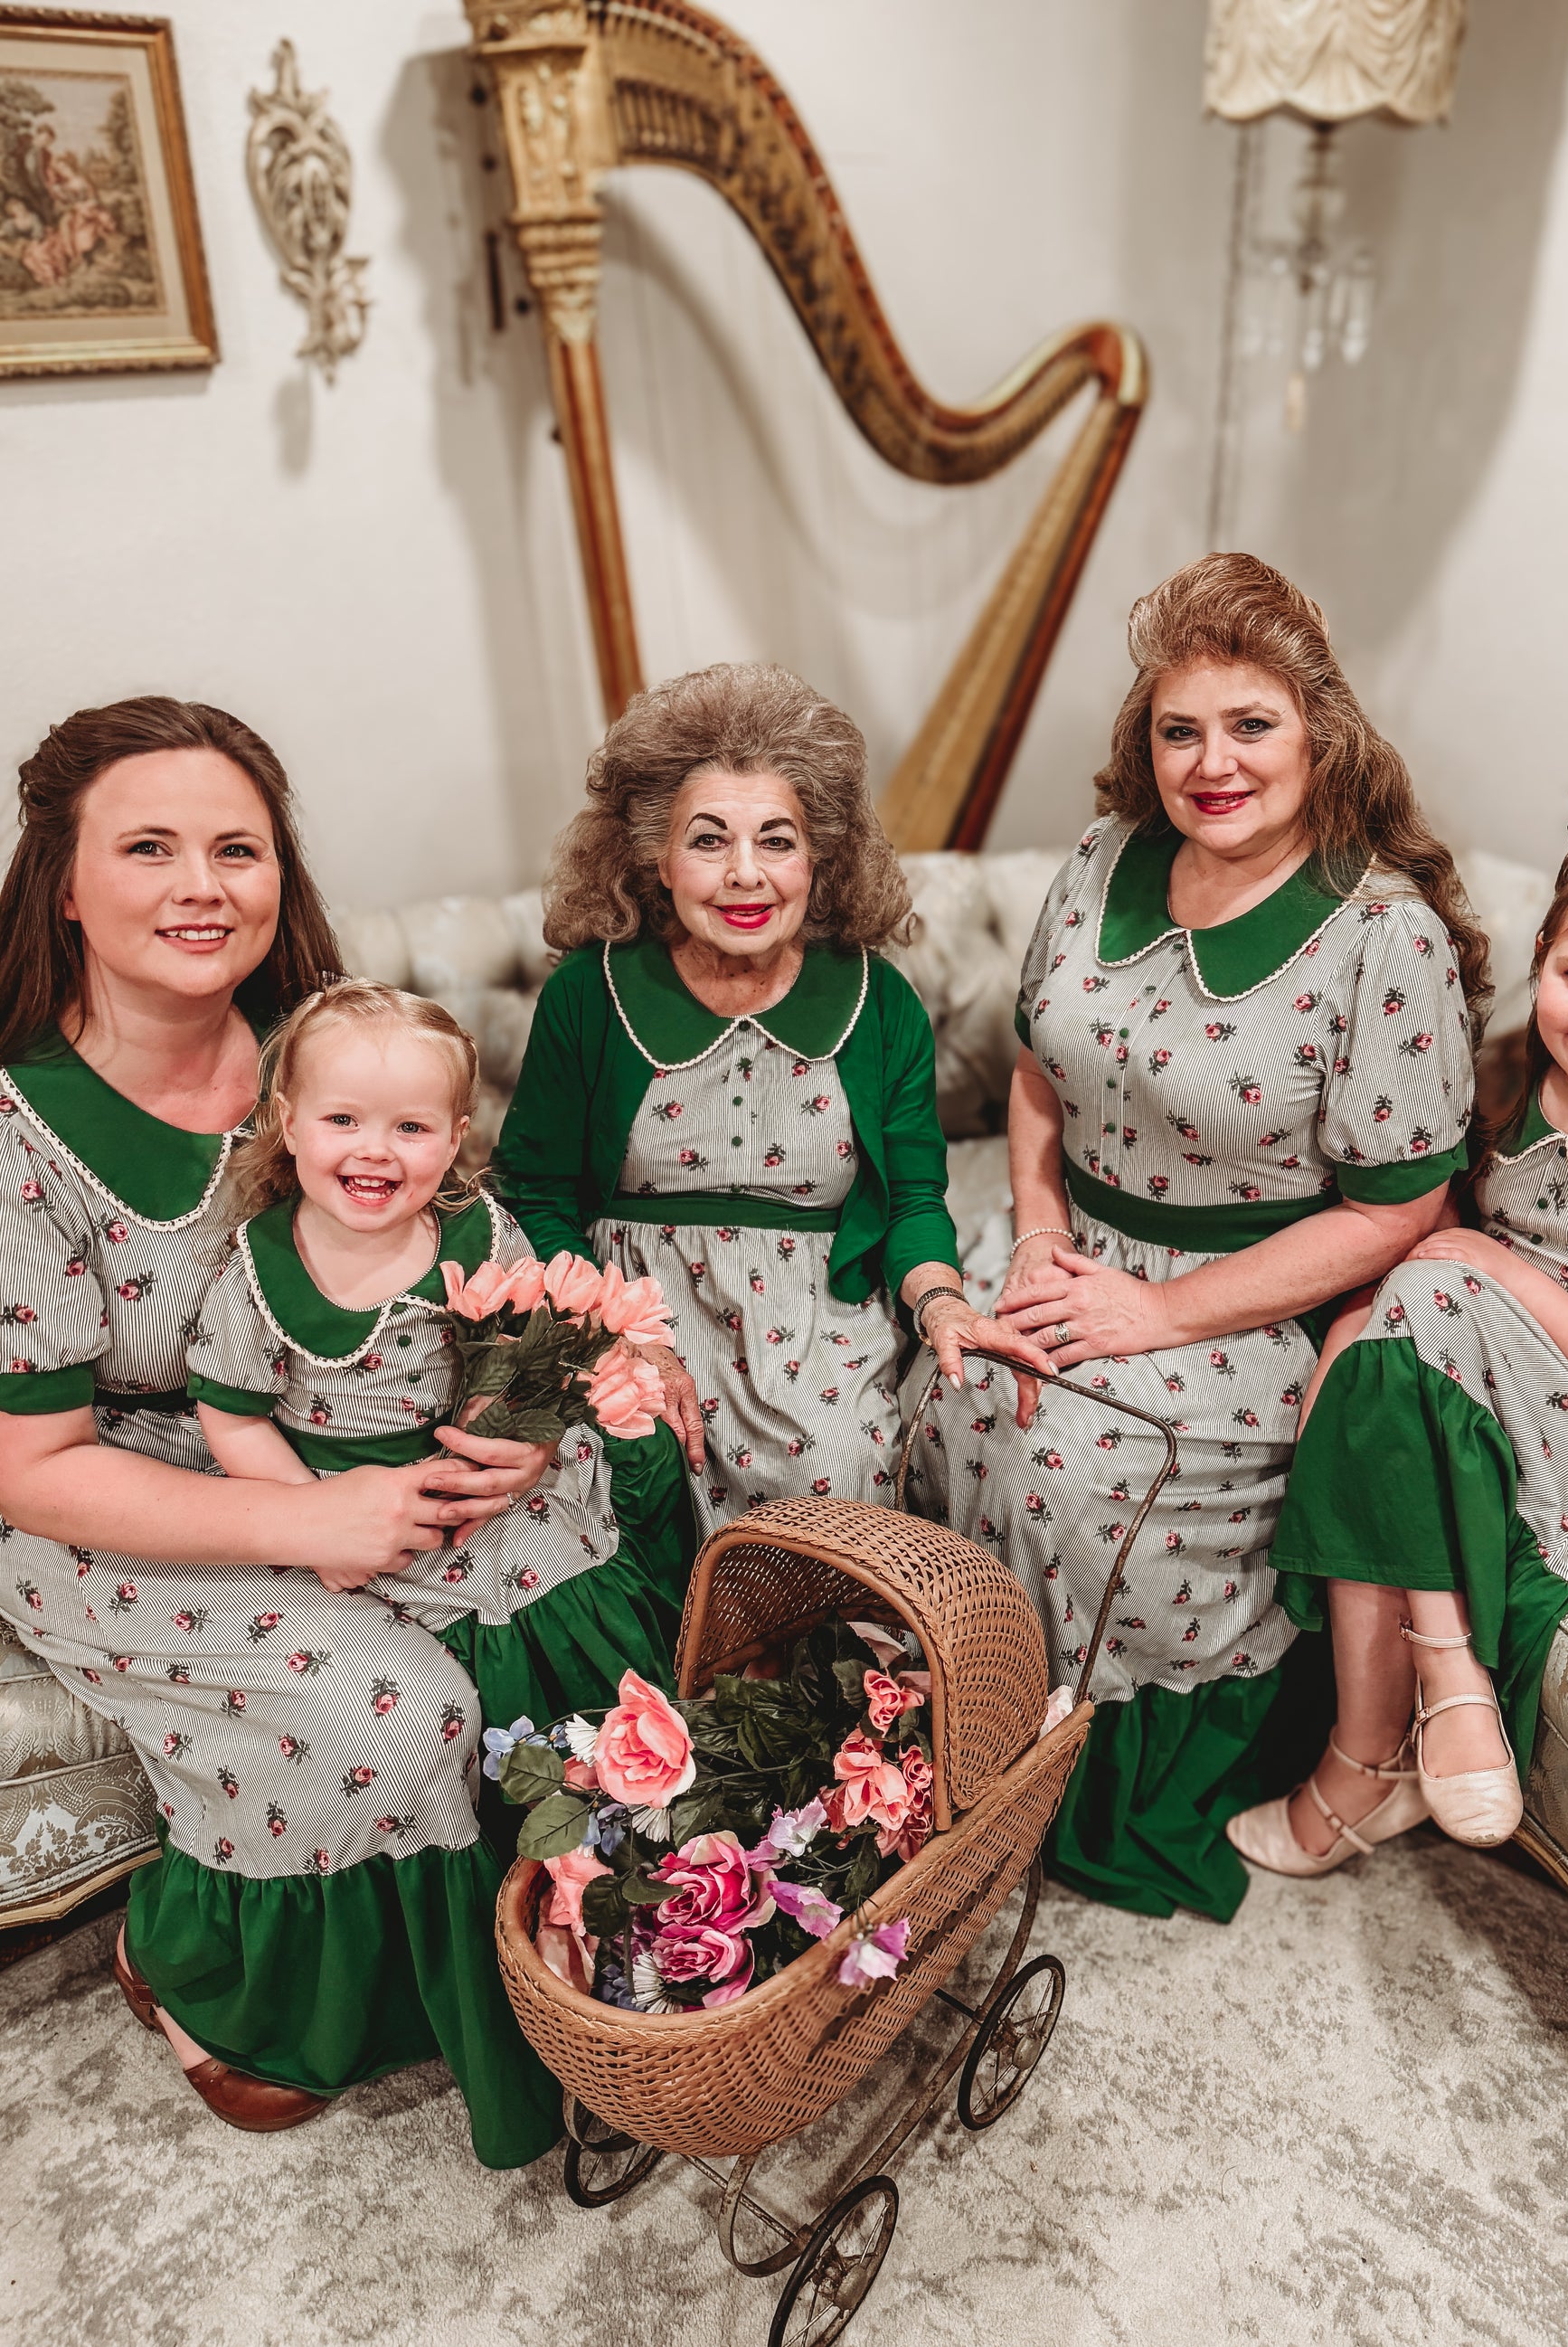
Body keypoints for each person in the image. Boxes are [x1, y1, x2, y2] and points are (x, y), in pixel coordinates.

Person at [0, 697, 675, 2164]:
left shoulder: (326, 1047)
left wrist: (519, 1423)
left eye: (236, 849)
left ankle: (563, 1931)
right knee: (392, 1714)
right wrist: (306, 1518)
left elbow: (480, 1246)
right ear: (64, 883)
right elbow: (34, 1467)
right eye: (149, 847)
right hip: (118, 1485)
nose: (201, 885)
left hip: (367, 1423)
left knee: (569, 1564)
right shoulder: (16, 1131)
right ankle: (201, 1966)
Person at [912, 552, 1490, 1922]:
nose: (1211, 762)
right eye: (1180, 729)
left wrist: (1160, 1313)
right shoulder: (1101, 858)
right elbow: (1038, 1075)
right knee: (950, 1393)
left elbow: (1397, 1208)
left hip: (1249, 1298)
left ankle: (1089, 1786)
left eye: (1250, 725)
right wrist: (1035, 1239)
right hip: (1071, 1243)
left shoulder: (1380, 936)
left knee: (1067, 1464)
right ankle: (946, 1736)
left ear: (1320, 735)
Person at [1233, 777, 1568, 1871]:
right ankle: (1387, 1742)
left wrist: (1488, 1271)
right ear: (1541, 960)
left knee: (1417, 1313)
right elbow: (1433, 1226)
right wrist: (1371, 1324)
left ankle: (1425, 1695)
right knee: (1380, 1352)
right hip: (1470, 1345)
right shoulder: (1507, 1079)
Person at [493, 661, 1044, 1527]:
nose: (745, 874)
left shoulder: (879, 1001)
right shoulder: (589, 996)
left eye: (777, 841)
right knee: (608, 1482)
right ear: (656, 858)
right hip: (630, 1309)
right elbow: (534, 1195)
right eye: (709, 841)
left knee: (836, 1474)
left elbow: (912, 1198)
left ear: (819, 857)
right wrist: (617, 1335)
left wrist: (941, 1301)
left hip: (817, 1323)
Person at [185, 978, 686, 1733]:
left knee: (561, 1595)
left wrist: (514, 1418)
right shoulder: (260, 1270)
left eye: (411, 1127)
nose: (375, 1149)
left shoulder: (477, 1230)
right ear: (288, 1123)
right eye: (342, 1119)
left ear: (454, 1139)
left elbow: (533, 1337)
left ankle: (601, 1765)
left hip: (488, 1488)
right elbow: (232, 1415)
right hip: (351, 1508)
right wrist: (313, 1521)